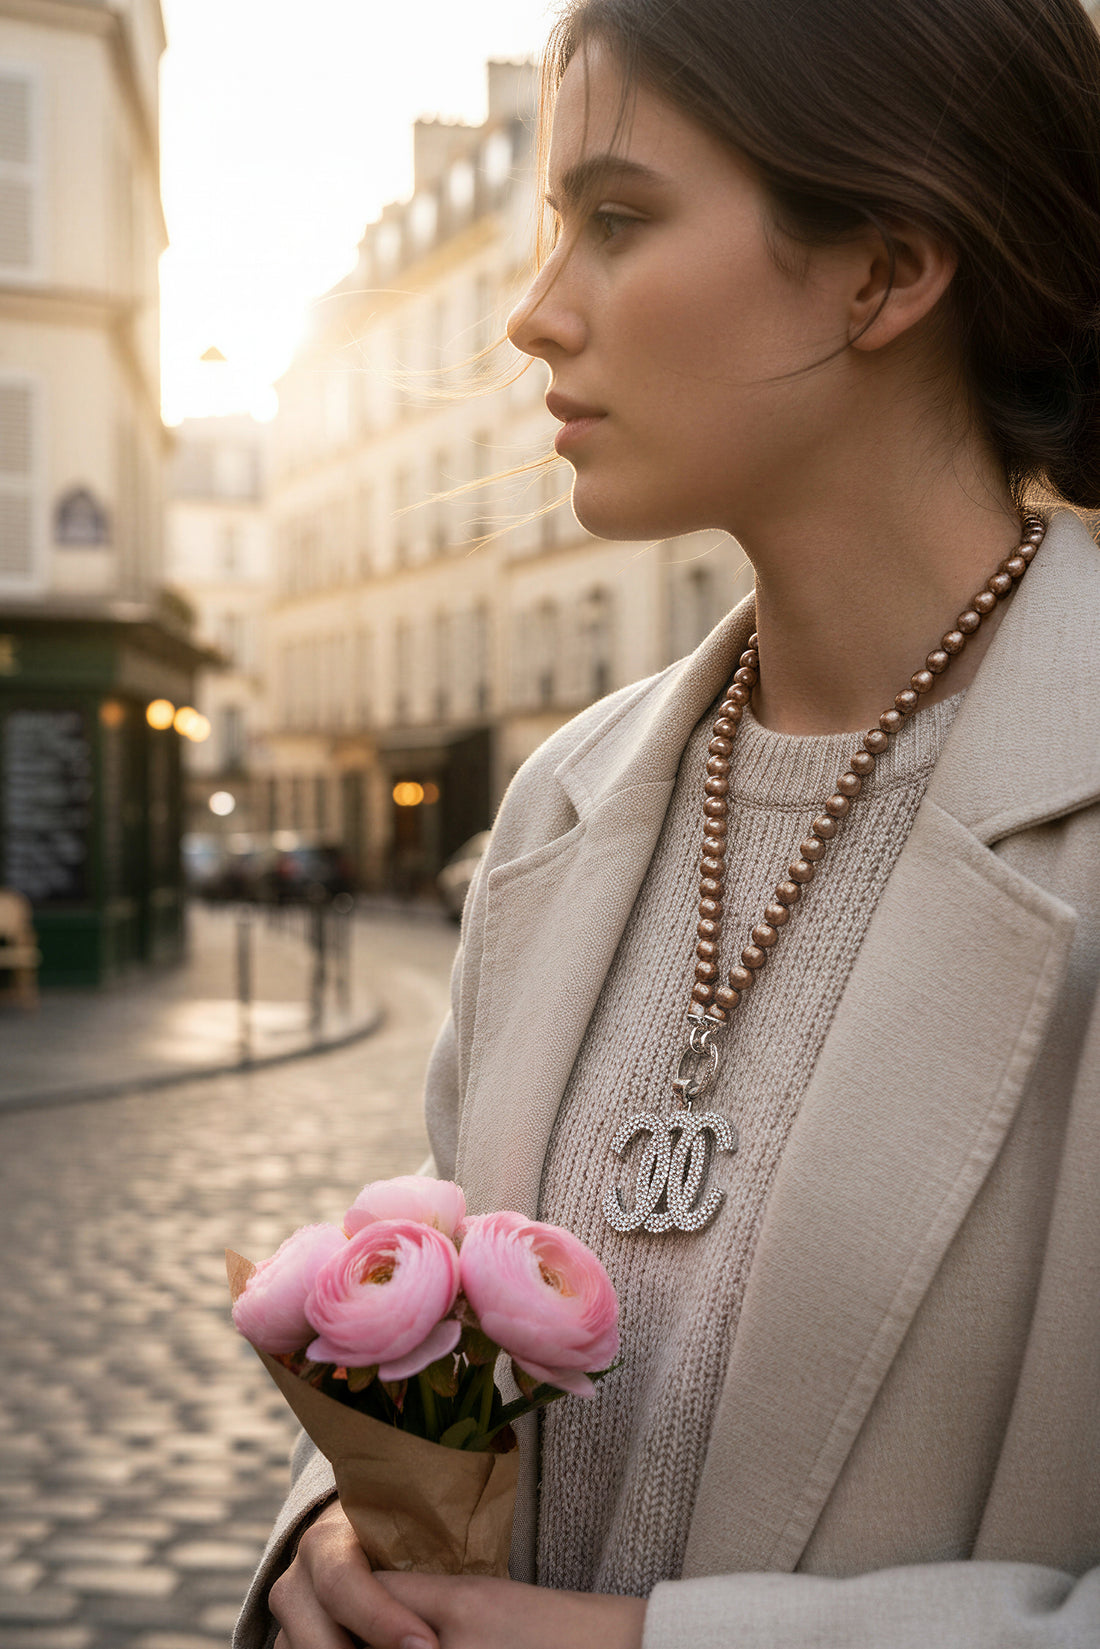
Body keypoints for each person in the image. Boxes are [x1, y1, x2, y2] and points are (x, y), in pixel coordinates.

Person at [236, 1, 1100, 1644]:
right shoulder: (571, 797)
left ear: (888, 269)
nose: (533, 316)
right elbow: (441, 1263)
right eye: (555, 225)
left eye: (617, 222)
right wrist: (341, 1536)